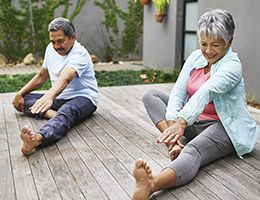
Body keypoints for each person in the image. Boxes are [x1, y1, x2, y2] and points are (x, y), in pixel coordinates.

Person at [132, 9, 260, 199]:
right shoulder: (195, 58)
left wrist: (181, 123)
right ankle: (173, 144)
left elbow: (206, 91)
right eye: (203, 44)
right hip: (194, 121)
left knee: (193, 151)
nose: (208, 51)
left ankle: (152, 184)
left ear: (229, 42)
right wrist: (174, 123)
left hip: (224, 127)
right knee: (151, 95)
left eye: (215, 44)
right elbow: (178, 91)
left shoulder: (232, 66)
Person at [12, 17, 99, 156]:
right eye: (53, 42)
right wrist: (19, 94)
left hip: (84, 98)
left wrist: (49, 96)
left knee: (67, 110)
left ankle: (37, 140)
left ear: (73, 37)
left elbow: (65, 77)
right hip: (59, 97)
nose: (56, 46)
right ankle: (57, 116)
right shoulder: (50, 49)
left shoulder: (80, 54)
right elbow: (41, 76)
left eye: (60, 41)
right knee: (25, 99)